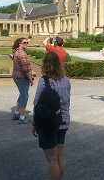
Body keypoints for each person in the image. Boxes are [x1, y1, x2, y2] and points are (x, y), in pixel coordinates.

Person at [32, 51, 71, 180]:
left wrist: (34, 124)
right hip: (64, 120)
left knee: (52, 160)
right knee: (60, 156)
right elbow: (66, 100)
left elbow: (37, 104)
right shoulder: (66, 80)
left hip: (48, 123)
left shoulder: (44, 81)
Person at [11, 37, 34, 124]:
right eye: (24, 43)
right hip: (22, 77)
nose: (26, 44)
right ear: (20, 43)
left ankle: (16, 113)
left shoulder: (17, 52)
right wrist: (30, 79)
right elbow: (26, 69)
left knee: (21, 94)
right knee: (24, 96)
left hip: (17, 77)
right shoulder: (21, 54)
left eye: (27, 43)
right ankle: (22, 117)